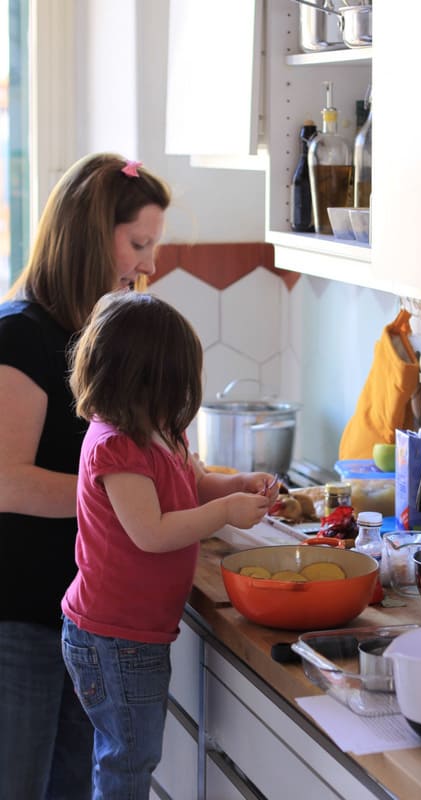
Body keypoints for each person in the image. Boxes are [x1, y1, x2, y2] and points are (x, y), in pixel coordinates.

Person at [0, 153, 171, 800]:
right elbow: (6, 481)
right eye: (138, 244)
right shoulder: (20, 336)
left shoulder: (90, 336)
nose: (147, 264)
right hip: (19, 618)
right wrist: (125, 505)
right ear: (90, 235)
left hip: (81, 624)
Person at [60, 291, 277, 798]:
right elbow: (151, 531)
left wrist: (236, 485)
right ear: (146, 380)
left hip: (131, 633)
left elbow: (189, 488)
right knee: (128, 762)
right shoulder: (116, 445)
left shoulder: (161, 431)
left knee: (126, 755)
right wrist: (224, 514)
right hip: (114, 637)